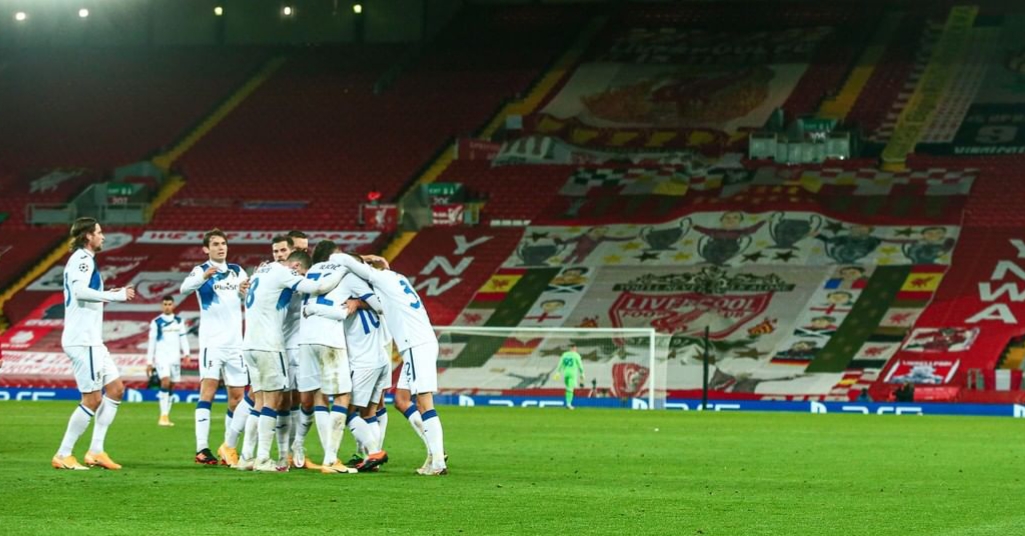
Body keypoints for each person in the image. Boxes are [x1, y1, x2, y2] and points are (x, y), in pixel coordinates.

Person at [329, 252, 448, 475]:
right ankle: (435, 454)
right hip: (420, 343)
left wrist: (338, 258)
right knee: (402, 399)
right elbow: (380, 303)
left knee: (425, 402)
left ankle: (439, 461)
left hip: (415, 344)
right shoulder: (397, 279)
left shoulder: (380, 278)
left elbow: (346, 261)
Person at [243, 250, 341, 472]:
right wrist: (342, 271)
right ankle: (263, 459)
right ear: (296, 267)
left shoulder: (261, 271)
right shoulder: (282, 272)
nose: (301, 277)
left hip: (249, 344)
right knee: (273, 400)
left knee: (260, 400)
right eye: (302, 273)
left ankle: (246, 456)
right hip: (268, 344)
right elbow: (317, 287)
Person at [52, 217, 136, 470]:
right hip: (82, 340)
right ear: (88, 235)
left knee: (115, 389)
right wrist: (114, 295)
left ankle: (96, 450)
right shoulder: (81, 259)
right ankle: (64, 454)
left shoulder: (86, 260)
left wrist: (108, 294)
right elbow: (79, 291)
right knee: (91, 399)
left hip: (93, 341)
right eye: (99, 232)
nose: (103, 237)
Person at [304, 250, 391, 472]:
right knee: (368, 410)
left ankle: (369, 453)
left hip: (358, 358)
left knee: (345, 408)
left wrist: (313, 309)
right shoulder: (360, 285)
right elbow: (382, 303)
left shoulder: (319, 273)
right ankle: (371, 455)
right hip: (381, 356)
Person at [179, 229, 249, 466]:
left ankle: (228, 448)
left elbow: (248, 295)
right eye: (216, 244)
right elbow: (184, 288)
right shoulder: (201, 270)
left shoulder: (237, 271)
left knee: (237, 398)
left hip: (236, 344)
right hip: (212, 343)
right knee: (207, 393)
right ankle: (202, 448)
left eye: (224, 243)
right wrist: (202, 278)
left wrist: (245, 292)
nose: (221, 247)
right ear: (206, 249)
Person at [292, 241, 359, 473]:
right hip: (329, 338)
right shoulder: (343, 271)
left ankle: (309, 451)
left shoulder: (310, 272)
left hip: (306, 338)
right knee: (342, 396)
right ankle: (331, 459)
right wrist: (357, 301)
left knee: (318, 395)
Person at [146, 295, 190, 427]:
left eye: (169, 304)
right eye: (165, 304)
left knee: (171, 385)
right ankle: (163, 415)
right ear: (161, 306)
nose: (167, 306)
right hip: (161, 358)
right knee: (165, 381)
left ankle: (166, 415)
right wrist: (149, 361)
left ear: (173, 305)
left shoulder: (179, 321)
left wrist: (186, 353)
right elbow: (152, 342)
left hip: (175, 358)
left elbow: (183, 338)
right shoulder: (156, 322)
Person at [555, 344, 585, 410]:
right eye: (575, 349)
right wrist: (582, 374)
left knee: (568, 388)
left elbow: (560, 364)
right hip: (572, 374)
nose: (575, 350)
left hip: (565, 373)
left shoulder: (564, 354)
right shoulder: (576, 355)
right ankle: (569, 404)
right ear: (573, 348)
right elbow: (580, 365)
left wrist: (558, 372)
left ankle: (568, 403)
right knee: (570, 389)